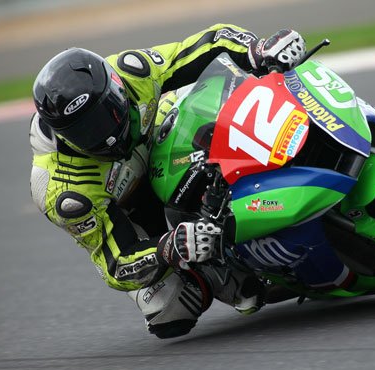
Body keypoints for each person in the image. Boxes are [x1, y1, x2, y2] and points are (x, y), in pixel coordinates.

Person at [29, 24, 307, 339]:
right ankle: (225, 268)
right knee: (171, 309)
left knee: (216, 94)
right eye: (87, 131)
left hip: (163, 141)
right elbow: (116, 264)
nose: (106, 134)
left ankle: (282, 163)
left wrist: (257, 49)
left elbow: (208, 42)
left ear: (116, 87)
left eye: (108, 112)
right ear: (63, 135)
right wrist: (167, 248)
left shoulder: (133, 71)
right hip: (133, 212)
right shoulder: (64, 190)